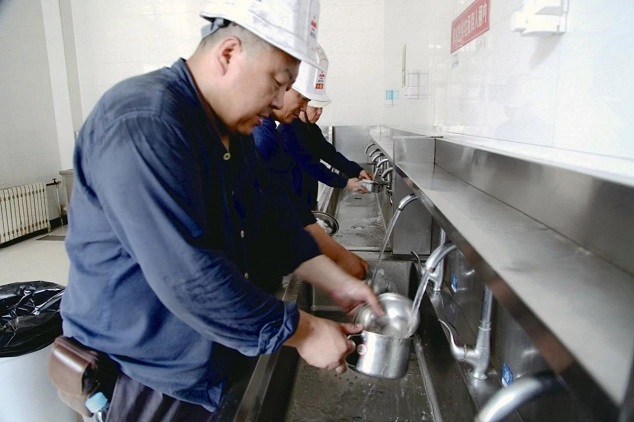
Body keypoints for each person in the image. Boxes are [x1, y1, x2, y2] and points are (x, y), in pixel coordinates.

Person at [60, 1, 382, 420]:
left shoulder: (230, 129)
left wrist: (335, 281)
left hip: (208, 352)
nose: (281, 102)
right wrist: (304, 331)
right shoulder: (144, 123)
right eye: (278, 82)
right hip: (145, 372)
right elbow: (187, 276)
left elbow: (270, 219)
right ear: (229, 53)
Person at [252, 55, 369, 279]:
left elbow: (327, 155)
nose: (305, 108)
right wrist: (339, 257)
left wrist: (354, 171)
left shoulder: (273, 130)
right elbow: (291, 190)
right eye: (303, 99)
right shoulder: (267, 136)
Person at [278, 46, 373, 210]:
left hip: (307, 201)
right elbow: (311, 165)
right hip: (292, 204)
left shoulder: (311, 128)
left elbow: (329, 154)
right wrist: (345, 183)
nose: (319, 112)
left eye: (321, 108)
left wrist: (356, 171)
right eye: (315, 108)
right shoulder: (288, 131)